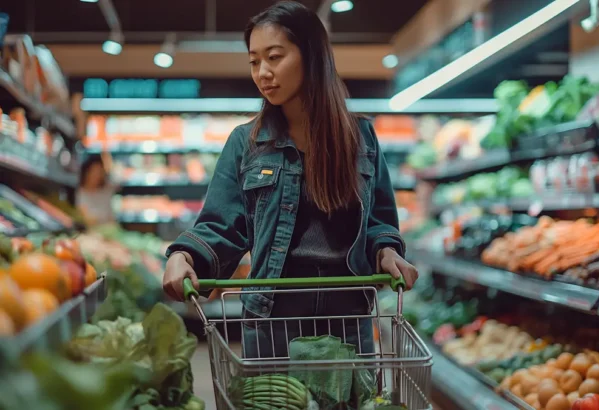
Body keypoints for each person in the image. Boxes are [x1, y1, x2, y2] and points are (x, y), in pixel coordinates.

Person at [163, 0, 418, 359]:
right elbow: (222, 225)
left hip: (347, 317)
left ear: (311, 55)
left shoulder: (360, 137)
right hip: (273, 319)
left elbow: (377, 222)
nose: (263, 72)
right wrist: (183, 255)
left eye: (275, 57)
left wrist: (387, 250)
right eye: (254, 61)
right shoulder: (246, 143)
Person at [76, 154, 117, 227]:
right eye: (94, 171)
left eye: (99, 172)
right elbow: (85, 218)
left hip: (110, 230)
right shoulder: (80, 192)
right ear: (86, 172)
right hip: (91, 232)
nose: (96, 176)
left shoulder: (107, 189)